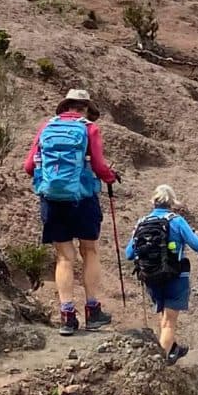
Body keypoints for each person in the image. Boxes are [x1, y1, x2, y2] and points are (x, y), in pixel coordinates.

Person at [25, 87, 119, 336]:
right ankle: (92, 310)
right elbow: (99, 166)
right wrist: (110, 176)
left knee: (64, 258)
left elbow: (28, 165)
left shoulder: (46, 127)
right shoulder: (89, 128)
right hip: (84, 199)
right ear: (86, 108)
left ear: (65, 106)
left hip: (53, 200)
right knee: (89, 251)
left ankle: (67, 316)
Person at [124, 183, 198, 363]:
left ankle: (172, 348)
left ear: (153, 200)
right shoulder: (176, 220)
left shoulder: (141, 223)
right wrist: (193, 235)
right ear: (172, 202)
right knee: (169, 322)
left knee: (164, 317)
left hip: (151, 278)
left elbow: (129, 254)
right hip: (176, 278)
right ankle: (162, 363)